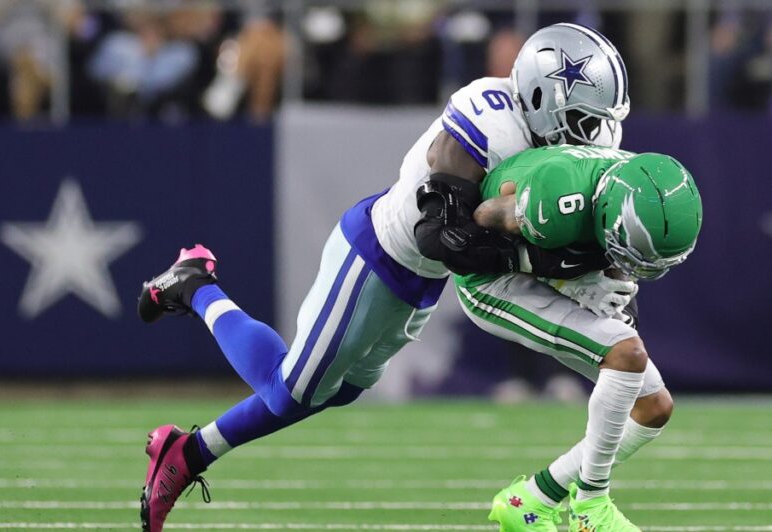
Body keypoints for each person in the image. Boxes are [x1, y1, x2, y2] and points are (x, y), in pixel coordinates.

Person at [134, 22, 631, 532]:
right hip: (378, 254)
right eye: (583, 120)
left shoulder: (570, 144)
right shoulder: (489, 119)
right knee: (292, 391)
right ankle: (195, 285)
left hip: (422, 280)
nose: (592, 135)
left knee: (339, 390)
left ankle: (185, 452)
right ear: (540, 97)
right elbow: (439, 237)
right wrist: (546, 265)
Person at [447, 145, 702, 531]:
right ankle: (591, 506)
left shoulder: (631, 189)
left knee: (652, 407)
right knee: (626, 354)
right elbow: (478, 230)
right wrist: (561, 276)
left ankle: (531, 500)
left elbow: (609, 255)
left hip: (559, 263)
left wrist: (597, 273)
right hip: (491, 282)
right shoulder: (559, 200)